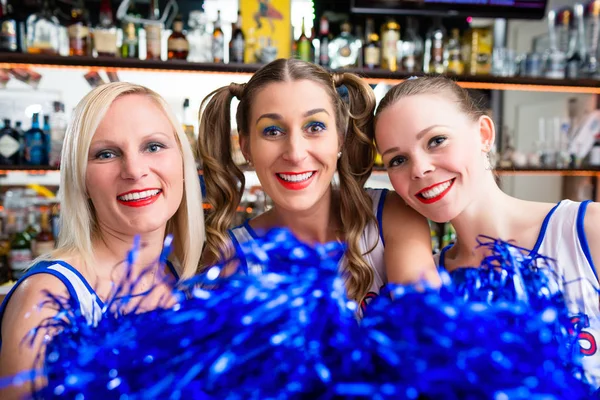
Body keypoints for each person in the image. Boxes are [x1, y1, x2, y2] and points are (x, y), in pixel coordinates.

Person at [373, 75, 600, 386]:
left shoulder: (585, 230)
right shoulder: (426, 284)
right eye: (397, 159)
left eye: (436, 140)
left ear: (483, 134)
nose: (420, 168)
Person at [0, 82, 204, 395]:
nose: (135, 171)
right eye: (106, 154)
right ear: (80, 179)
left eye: (153, 146)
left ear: (182, 162)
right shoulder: (47, 299)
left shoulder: (184, 280)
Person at [198, 58, 438, 317]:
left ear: (340, 139)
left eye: (315, 127)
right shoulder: (226, 262)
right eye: (272, 131)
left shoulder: (390, 217)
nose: (296, 153)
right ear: (246, 147)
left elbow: (427, 337)